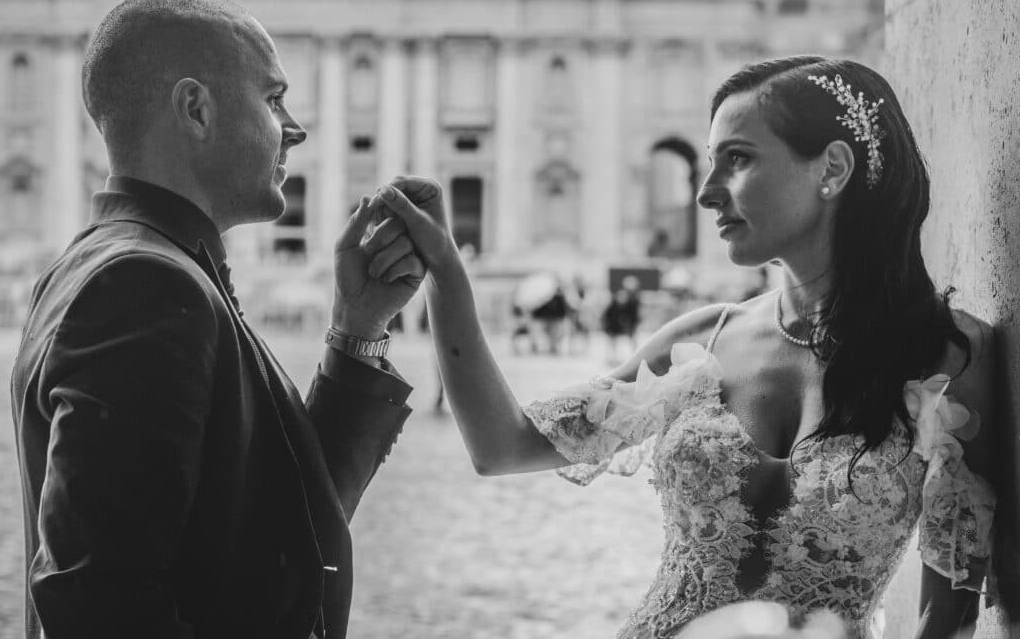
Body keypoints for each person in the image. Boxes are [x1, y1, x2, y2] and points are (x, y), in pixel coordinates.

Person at [373, 56, 997, 639]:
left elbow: (948, 618)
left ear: (832, 169)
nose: (706, 192)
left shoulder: (952, 358)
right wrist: (446, 278)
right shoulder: (701, 342)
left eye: (737, 160)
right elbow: (502, 446)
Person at [10, 0, 424, 639]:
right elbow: (99, 606)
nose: (295, 127)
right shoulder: (139, 285)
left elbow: (287, 530)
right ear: (196, 109)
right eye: (273, 97)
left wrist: (359, 326)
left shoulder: (124, 265)